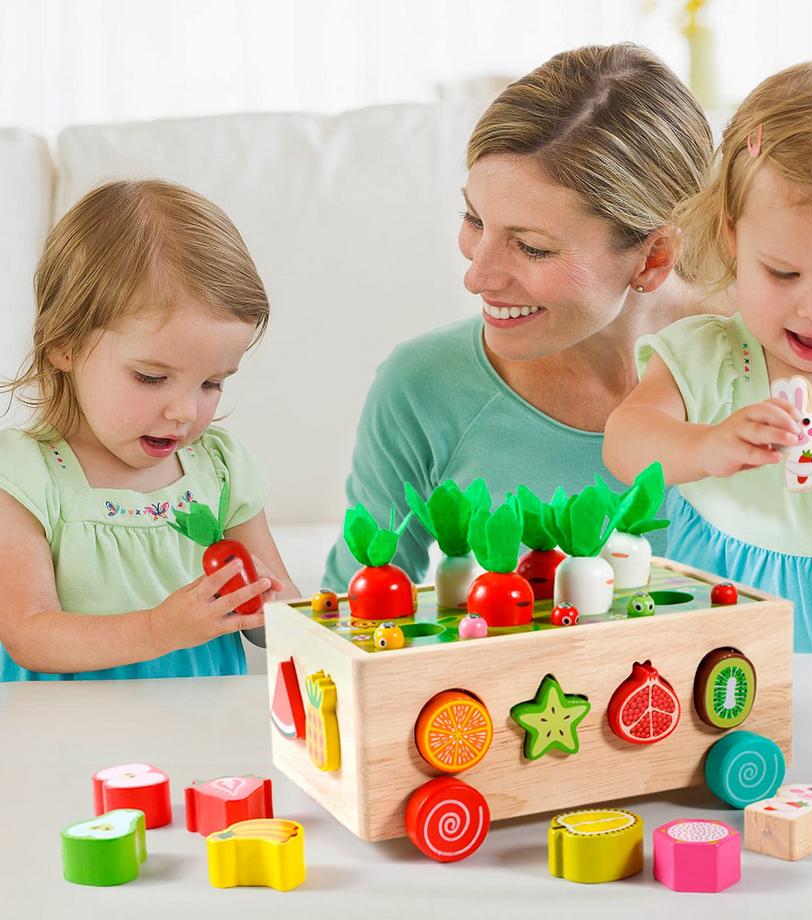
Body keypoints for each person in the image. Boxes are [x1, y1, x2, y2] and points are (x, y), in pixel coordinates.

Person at [323, 43, 718, 590]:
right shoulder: (422, 388)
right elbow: (354, 613)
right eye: (474, 218)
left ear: (653, 257)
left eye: (531, 247)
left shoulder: (783, 361)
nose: (477, 277)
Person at [605, 62, 812, 655]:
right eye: (783, 272)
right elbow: (624, 443)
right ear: (732, 236)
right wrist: (704, 446)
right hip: (727, 657)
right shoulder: (708, 357)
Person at [0, 179, 299, 680]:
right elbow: (29, 634)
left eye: (212, 383)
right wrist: (160, 628)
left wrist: (278, 610)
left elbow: (276, 616)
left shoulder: (220, 470)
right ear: (64, 345)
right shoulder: (24, 476)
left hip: (198, 726)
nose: (184, 411)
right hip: (65, 733)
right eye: (152, 378)